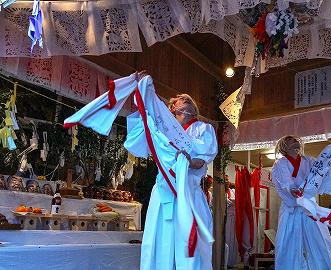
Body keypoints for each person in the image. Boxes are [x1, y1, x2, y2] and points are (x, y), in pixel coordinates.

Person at [64, 73, 218, 270]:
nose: (179, 108)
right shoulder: (161, 131)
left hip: (187, 194)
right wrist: (146, 94)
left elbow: (201, 160)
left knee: (187, 248)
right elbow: (140, 136)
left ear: (191, 110)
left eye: (183, 106)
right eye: (175, 107)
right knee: (159, 241)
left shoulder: (202, 129)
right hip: (163, 192)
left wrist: (187, 161)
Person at [271, 135, 331, 270]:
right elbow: (285, 181)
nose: (296, 141)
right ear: (284, 146)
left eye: (296, 139)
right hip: (291, 207)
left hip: (308, 206)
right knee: (288, 244)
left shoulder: (308, 160)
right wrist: (291, 189)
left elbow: (323, 166)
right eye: (291, 140)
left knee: (320, 241)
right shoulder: (280, 163)